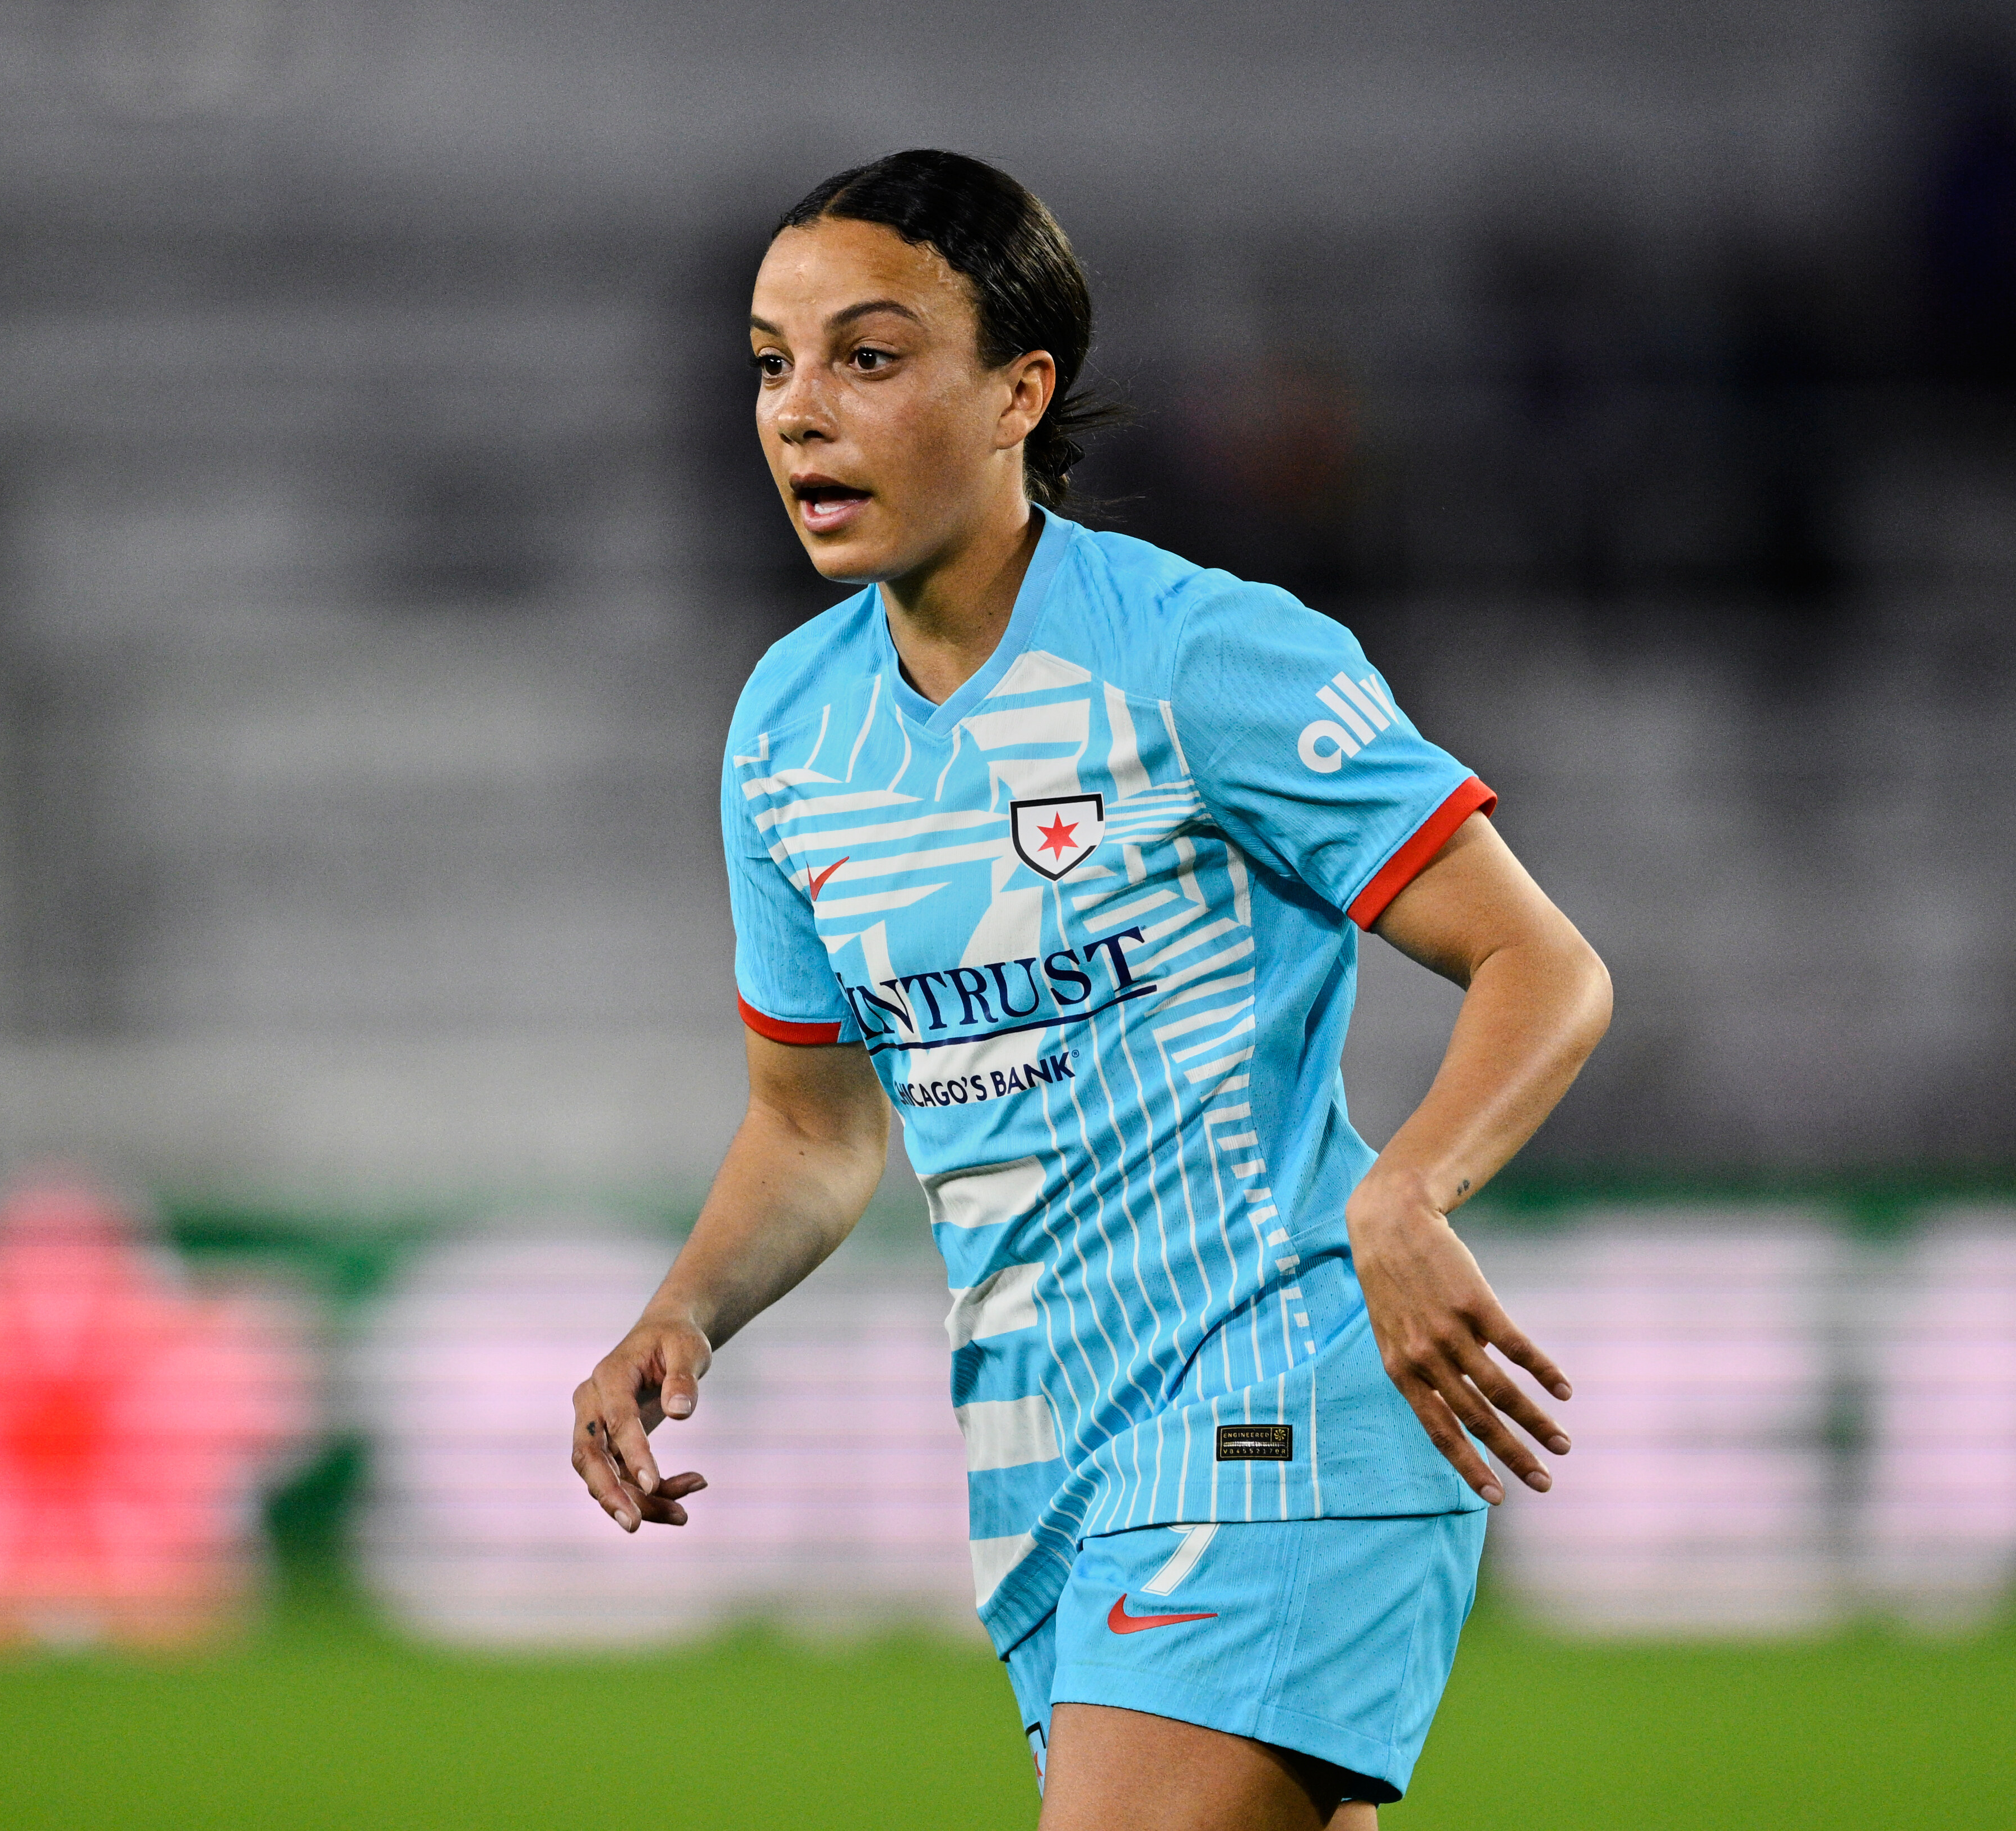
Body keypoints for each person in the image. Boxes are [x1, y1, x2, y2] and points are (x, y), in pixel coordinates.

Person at [571, 150, 1610, 1830]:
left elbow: (1540, 962)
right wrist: (681, 1313)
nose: (799, 411)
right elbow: (813, 1128)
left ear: (1019, 393)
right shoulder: (786, 732)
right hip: (1046, 1461)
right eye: (771, 364)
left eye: (869, 356)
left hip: (1275, 1403)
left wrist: (1410, 1189)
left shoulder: (1196, 653)